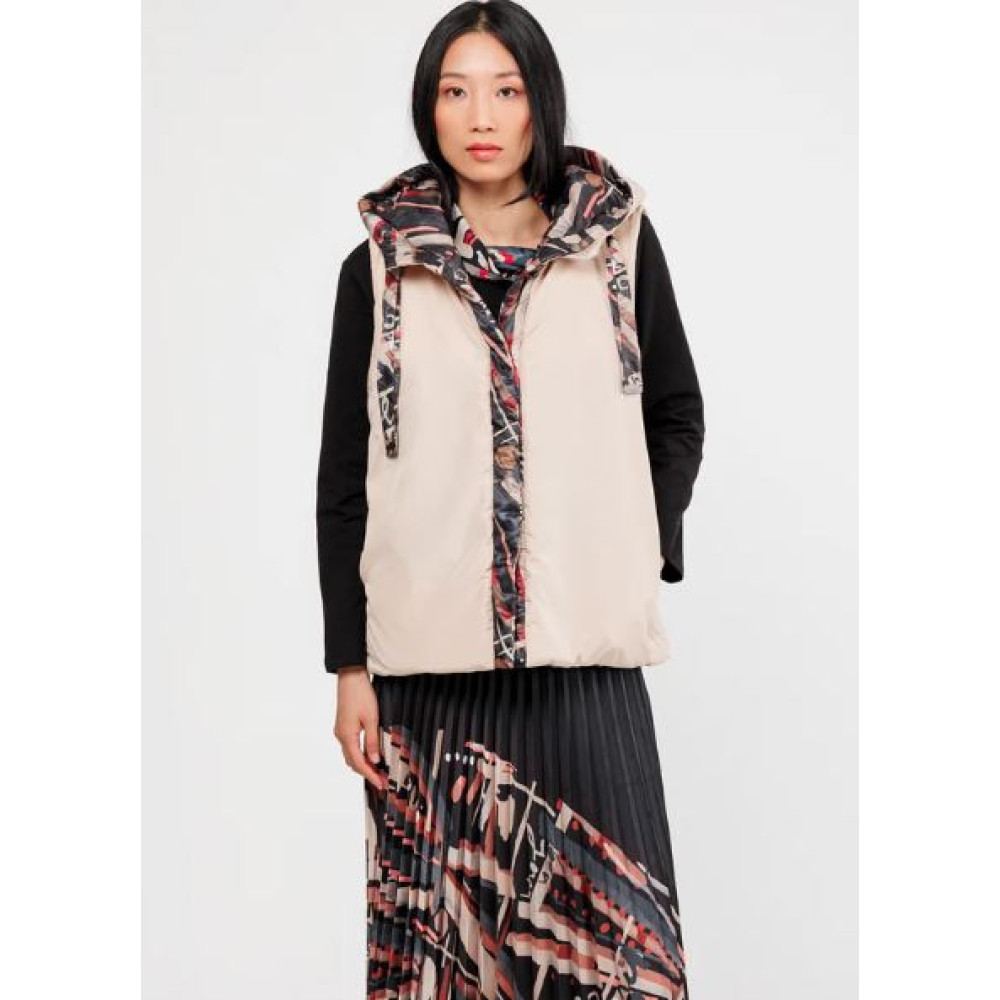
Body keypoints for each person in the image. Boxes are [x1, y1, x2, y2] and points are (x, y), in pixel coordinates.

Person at [315, 2, 705, 995]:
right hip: (427, 674)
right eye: (456, 91)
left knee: (613, 967)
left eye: (506, 89)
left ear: (540, 102)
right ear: (429, 106)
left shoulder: (616, 248)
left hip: (585, 666)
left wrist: (637, 542)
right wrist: (350, 664)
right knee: (445, 969)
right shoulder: (378, 271)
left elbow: (675, 412)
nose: (480, 115)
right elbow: (345, 481)